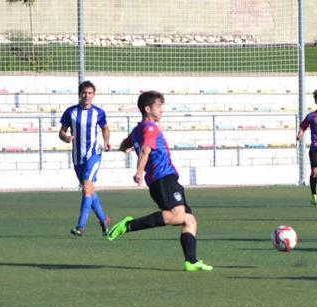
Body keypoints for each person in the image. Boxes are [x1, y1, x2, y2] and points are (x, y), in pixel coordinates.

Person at [109, 91, 213, 272]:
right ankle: (128, 225)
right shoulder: (150, 128)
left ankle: (191, 261)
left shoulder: (137, 130)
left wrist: (126, 149)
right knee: (177, 216)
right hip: (162, 178)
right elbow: (145, 150)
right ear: (148, 109)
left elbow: (124, 145)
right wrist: (139, 171)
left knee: (189, 220)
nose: (162, 110)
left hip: (167, 178)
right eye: (159, 106)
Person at [59, 80, 111, 236]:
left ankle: (80, 226)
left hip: (93, 155)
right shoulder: (70, 112)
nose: (87, 96)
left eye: (90, 93)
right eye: (84, 93)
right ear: (79, 94)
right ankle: (104, 220)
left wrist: (106, 141)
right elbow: (61, 132)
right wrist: (66, 138)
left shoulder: (98, 113)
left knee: (86, 187)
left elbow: (105, 128)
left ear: (93, 95)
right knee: (89, 190)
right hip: (77, 158)